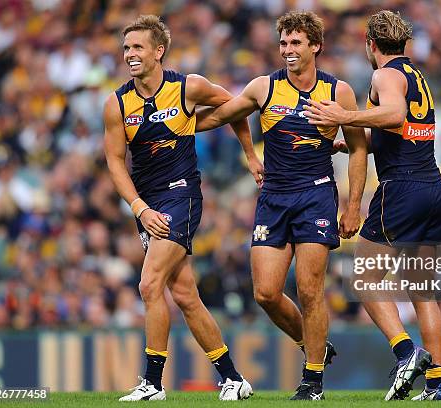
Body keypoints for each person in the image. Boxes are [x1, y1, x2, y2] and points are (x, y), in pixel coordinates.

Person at [196, 11, 368, 400]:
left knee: (310, 290)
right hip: (273, 197)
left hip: (316, 194)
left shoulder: (337, 92)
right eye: (283, 43)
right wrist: (174, 124)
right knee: (266, 294)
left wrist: (354, 205)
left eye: (296, 43)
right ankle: (314, 346)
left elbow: (359, 149)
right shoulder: (263, 87)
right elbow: (224, 114)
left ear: (315, 46)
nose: (288, 50)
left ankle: (313, 381)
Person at [104, 15, 258, 401]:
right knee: (185, 294)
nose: (130, 54)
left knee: (149, 283)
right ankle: (233, 377)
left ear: (159, 51)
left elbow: (236, 106)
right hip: (149, 204)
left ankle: (152, 383)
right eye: (126, 48)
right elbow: (114, 162)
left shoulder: (188, 87)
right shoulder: (117, 103)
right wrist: (139, 208)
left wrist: (250, 155)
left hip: (181, 195)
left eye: (137, 47)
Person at [304, 10, 441, 401]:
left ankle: (406, 353)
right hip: (433, 189)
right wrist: (354, 144)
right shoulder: (417, 77)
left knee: (363, 279)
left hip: (401, 189)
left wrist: (345, 116)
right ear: (404, 43)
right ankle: (438, 384)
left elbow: (394, 114)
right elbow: (405, 131)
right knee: (422, 292)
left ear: (370, 44)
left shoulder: (385, 75)